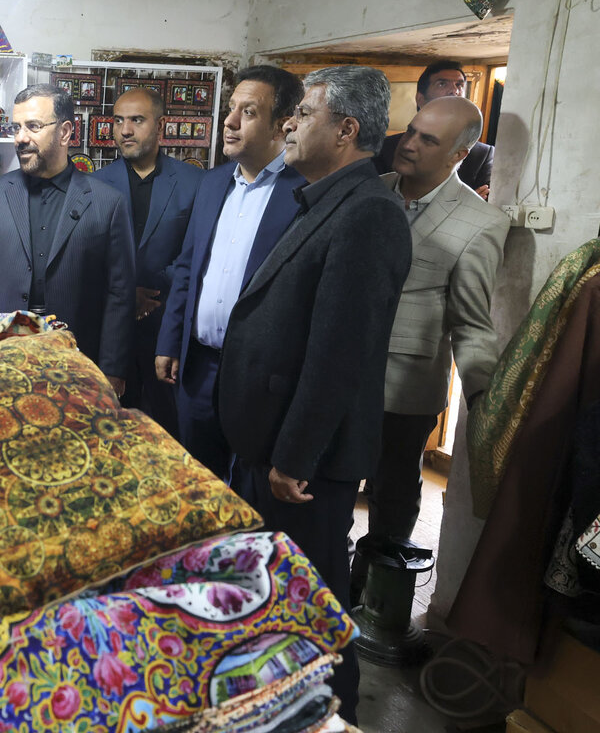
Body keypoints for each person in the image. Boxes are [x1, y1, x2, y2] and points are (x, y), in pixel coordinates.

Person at [217, 65, 412, 724]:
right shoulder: (327, 198)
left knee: (312, 598)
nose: (291, 124)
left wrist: (294, 456)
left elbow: (341, 356)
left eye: (304, 113)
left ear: (346, 130)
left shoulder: (369, 214)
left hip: (306, 465)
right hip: (275, 444)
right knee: (278, 589)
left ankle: (335, 711)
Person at [358, 96, 509, 560]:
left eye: (428, 140)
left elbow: (471, 322)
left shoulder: (480, 223)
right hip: (339, 370)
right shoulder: (367, 192)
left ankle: (376, 587)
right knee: (325, 489)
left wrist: (485, 400)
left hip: (406, 388)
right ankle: (327, 582)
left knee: (393, 495)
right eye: (411, 131)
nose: (409, 144)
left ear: (459, 154)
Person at [155, 65, 305, 481]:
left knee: (248, 490)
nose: (230, 121)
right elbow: (189, 268)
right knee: (198, 483)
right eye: (231, 108)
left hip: (260, 378)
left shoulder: (303, 193)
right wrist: (170, 341)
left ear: (283, 125)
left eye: (249, 112)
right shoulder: (213, 183)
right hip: (198, 367)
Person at [0, 83, 135, 395]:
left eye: (33, 126)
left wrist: (112, 370)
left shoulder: (108, 203)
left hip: (77, 366)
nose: (20, 138)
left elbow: (120, 294)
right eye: (16, 127)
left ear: (65, 132)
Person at [94, 88, 203, 436]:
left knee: (167, 431)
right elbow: (87, 257)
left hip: (167, 329)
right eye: (118, 121)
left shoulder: (195, 183)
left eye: (137, 120)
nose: (125, 130)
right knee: (109, 428)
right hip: (110, 333)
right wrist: (126, 294)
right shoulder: (94, 184)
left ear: (161, 125)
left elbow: (196, 251)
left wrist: (150, 291)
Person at [373, 59, 494, 198]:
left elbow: (483, 202)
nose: (454, 91)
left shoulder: (482, 155)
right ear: (421, 99)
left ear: (460, 155)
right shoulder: (385, 148)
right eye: (442, 84)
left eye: (459, 85)